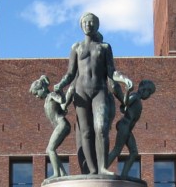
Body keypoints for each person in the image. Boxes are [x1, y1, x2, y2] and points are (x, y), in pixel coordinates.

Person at [54, 13, 132, 175]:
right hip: (81, 93)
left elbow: (112, 72)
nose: (88, 24)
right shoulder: (76, 47)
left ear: (97, 25)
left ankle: (103, 167)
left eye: (92, 22)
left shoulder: (104, 48)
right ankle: (92, 170)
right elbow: (70, 73)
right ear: (81, 25)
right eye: (85, 22)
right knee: (86, 132)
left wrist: (124, 80)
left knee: (101, 128)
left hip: (99, 91)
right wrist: (61, 84)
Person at [106, 79, 156, 177]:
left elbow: (124, 108)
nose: (149, 95)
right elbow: (126, 101)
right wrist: (128, 91)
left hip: (128, 129)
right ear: (143, 89)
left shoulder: (137, 99)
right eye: (149, 92)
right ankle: (102, 169)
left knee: (134, 152)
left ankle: (124, 174)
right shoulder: (135, 96)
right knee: (117, 150)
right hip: (125, 126)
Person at [29, 75, 72, 177]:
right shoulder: (46, 101)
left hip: (62, 124)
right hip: (60, 125)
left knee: (50, 149)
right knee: (50, 149)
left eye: (36, 93)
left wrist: (60, 91)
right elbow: (61, 109)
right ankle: (63, 173)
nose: (37, 97)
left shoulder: (51, 95)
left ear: (42, 88)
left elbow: (62, 101)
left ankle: (57, 173)